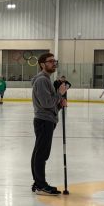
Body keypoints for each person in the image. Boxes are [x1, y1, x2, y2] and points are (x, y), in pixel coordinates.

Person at [31, 53, 67, 195]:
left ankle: (38, 182)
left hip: (46, 120)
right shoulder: (42, 80)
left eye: (54, 61)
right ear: (42, 64)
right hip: (44, 121)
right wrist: (59, 94)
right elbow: (46, 103)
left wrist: (59, 105)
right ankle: (41, 185)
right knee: (41, 154)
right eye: (50, 61)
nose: (54, 63)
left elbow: (50, 105)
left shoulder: (46, 79)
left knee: (39, 152)